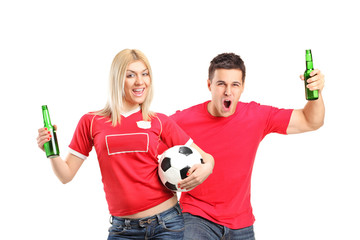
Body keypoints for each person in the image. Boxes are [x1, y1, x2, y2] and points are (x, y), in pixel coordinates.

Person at [36, 49, 214, 240]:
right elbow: (66, 175)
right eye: (131, 75)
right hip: (122, 229)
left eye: (144, 74)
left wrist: (208, 168)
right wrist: (51, 152)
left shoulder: (159, 121)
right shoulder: (91, 121)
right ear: (117, 79)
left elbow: (207, 157)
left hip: (166, 224)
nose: (140, 81)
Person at [159, 52, 325, 240]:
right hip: (197, 217)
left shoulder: (257, 116)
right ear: (209, 85)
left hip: (241, 223)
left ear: (243, 87)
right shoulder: (182, 120)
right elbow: (149, 141)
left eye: (235, 84)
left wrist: (316, 94)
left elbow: (311, 121)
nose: (228, 91)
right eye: (221, 84)